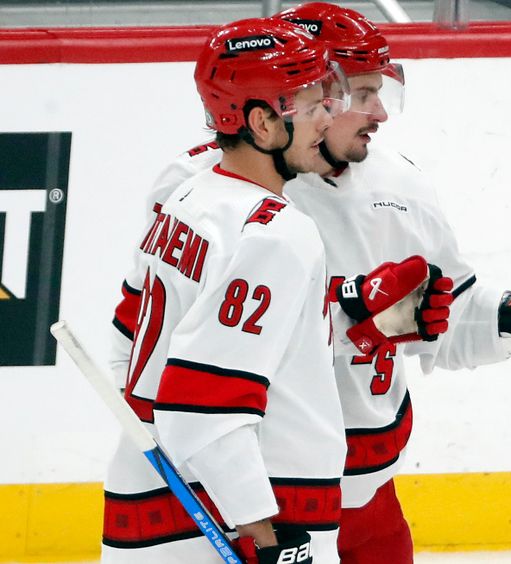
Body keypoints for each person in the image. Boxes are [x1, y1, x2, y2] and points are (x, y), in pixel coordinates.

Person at [109, 4, 511, 563]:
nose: (378, 114)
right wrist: (353, 318)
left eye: (379, 92)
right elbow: (189, 359)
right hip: (262, 502)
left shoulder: (397, 182)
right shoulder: (218, 191)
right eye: (358, 94)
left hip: (365, 498)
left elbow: (445, 317)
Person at [103, 18, 353, 564]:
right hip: (247, 518)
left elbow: (127, 338)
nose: (327, 118)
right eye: (311, 107)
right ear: (262, 124)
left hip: (155, 498)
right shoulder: (276, 233)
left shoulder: (187, 197)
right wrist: (264, 538)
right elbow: (204, 404)